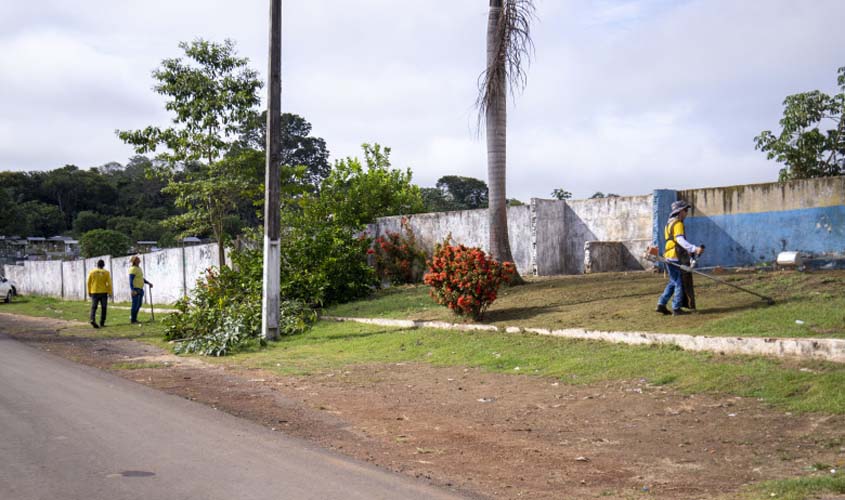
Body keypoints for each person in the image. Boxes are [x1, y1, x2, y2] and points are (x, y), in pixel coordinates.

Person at [656, 200, 704, 316]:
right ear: (679, 211)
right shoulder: (678, 224)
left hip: (668, 255)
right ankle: (676, 308)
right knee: (679, 282)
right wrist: (694, 249)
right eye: (685, 210)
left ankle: (661, 304)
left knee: (673, 281)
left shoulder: (669, 224)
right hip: (675, 256)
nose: (686, 213)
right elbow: (679, 240)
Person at [86, 259, 112, 328]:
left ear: (97, 265)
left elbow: (88, 283)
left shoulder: (92, 272)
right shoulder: (106, 272)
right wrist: (110, 292)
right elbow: (109, 283)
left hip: (94, 292)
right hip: (103, 292)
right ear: (103, 265)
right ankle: (102, 322)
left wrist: (89, 291)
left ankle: (92, 319)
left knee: (94, 307)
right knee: (104, 307)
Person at [128, 255, 153, 324]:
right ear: (134, 261)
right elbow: (130, 280)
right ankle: (133, 320)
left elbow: (141, 278)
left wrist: (148, 283)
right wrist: (132, 290)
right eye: (138, 259)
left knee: (139, 304)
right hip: (135, 289)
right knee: (135, 305)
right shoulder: (132, 269)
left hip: (140, 289)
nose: (139, 260)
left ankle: (134, 318)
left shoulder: (139, 268)